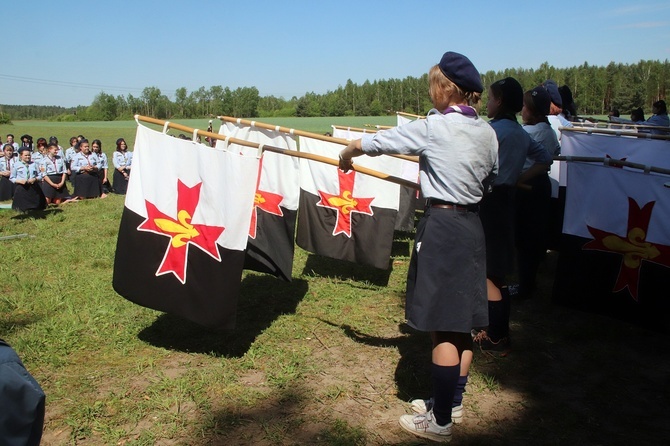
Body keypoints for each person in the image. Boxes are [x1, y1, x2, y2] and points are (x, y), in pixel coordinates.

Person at [339, 51, 498, 443]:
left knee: (443, 326)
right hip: (472, 226)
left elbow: (381, 142)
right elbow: (490, 179)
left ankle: (440, 421)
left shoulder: (433, 127)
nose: (431, 93)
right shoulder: (488, 132)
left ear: (445, 89)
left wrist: (347, 151)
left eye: (433, 86)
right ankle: (452, 403)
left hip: (442, 228)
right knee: (460, 321)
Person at [471, 79, 552, 352]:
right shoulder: (520, 133)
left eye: (491, 98)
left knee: (490, 271)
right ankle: (491, 327)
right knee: (495, 269)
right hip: (506, 200)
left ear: (500, 101)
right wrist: (517, 178)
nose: (488, 104)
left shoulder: (491, 131)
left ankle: (496, 335)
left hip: (489, 201)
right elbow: (545, 159)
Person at [516, 86, 560, 301]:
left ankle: (525, 284)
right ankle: (527, 281)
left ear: (531, 110)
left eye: (524, 106)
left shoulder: (530, 133)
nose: (521, 110)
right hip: (539, 185)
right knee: (532, 236)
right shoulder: (549, 131)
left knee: (527, 237)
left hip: (528, 186)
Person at [10, 147, 46, 212]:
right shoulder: (16, 165)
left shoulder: (34, 164)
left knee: (37, 206)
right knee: (22, 207)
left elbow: (40, 175)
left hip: (33, 186)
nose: (28, 157)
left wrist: (35, 179)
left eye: (29, 155)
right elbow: (12, 178)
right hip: (22, 187)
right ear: (21, 156)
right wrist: (19, 181)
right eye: (25, 155)